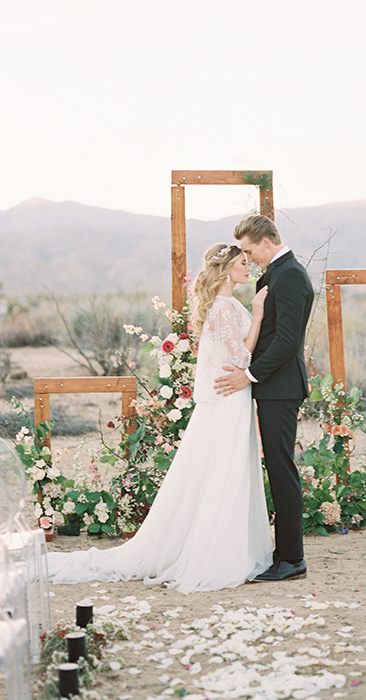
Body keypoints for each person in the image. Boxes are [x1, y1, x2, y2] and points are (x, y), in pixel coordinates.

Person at [46, 243, 273, 594]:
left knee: (222, 470)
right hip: (230, 397)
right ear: (228, 270)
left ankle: (221, 543)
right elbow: (241, 356)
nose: (249, 269)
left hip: (229, 397)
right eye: (244, 264)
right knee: (226, 470)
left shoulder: (223, 305)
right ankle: (217, 553)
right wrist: (258, 315)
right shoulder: (226, 308)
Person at [214, 215, 314, 582]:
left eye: (251, 250)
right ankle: (284, 551)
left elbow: (287, 341)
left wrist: (249, 375)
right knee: (276, 466)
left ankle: (292, 559)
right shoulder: (277, 272)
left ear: (267, 242)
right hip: (273, 387)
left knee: (281, 468)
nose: (249, 257)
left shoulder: (288, 275)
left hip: (280, 387)